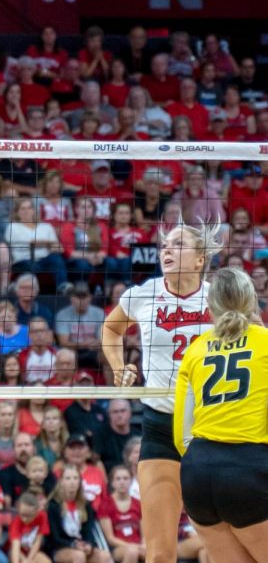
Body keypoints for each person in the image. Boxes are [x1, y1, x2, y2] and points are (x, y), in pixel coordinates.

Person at [101, 221, 220, 563]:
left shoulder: (219, 297)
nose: (166, 249)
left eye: (178, 244)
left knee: (221, 548)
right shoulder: (143, 294)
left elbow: (255, 343)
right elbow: (111, 330)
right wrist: (119, 365)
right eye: (164, 245)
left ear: (200, 260)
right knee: (159, 553)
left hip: (210, 426)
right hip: (160, 426)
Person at [173, 267, 268, 562]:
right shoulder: (264, 341)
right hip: (248, 471)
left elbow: (181, 434)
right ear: (252, 300)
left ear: (210, 305)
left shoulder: (195, 349)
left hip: (198, 476)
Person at [45, 465, 110, 563]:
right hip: (61, 547)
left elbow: (89, 529)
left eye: (75, 478)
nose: (72, 482)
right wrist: (73, 544)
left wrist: (89, 544)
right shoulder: (53, 505)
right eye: (68, 478)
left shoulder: (86, 504)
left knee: (104, 556)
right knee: (79, 556)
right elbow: (55, 537)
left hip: (81, 545)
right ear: (61, 481)